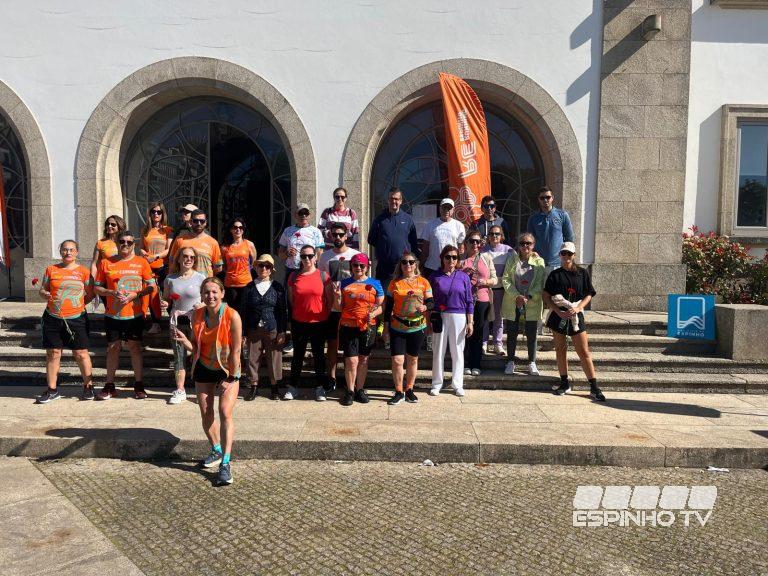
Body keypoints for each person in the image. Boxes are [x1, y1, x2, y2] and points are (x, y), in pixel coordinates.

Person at [173, 277, 242, 486]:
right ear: (201, 295)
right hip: (203, 366)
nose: (210, 296)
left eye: (214, 292)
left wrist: (231, 377)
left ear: (222, 294)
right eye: (206, 293)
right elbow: (197, 348)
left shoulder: (232, 316)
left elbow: (237, 351)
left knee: (224, 412)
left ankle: (226, 464)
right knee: (205, 412)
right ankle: (216, 449)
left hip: (227, 369)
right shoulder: (198, 315)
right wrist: (186, 342)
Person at [94, 230, 156, 400]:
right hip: (113, 314)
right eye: (122, 241)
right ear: (117, 243)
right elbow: (96, 287)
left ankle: (138, 384)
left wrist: (135, 295)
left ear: (134, 245)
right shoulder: (106, 262)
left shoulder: (141, 262)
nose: (125, 245)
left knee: (135, 348)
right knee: (112, 348)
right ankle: (109, 385)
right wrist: (109, 292)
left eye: (129, 242)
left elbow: (151, 286)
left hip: (134, 315)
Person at [543, 242, 605, 402]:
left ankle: (593, 386)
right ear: (560, 255)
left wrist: (578, 308)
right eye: (563, 254)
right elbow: (546, 296)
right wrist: (557, 311)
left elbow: (589, 293)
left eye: (569, 254)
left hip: (576, 314)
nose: (566, 257)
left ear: (574, 255)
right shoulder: (555, 275)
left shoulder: (582, 273)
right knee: (560, 349)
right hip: (559, 316)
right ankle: (564, 382)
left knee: (584, 352)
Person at [36, 240, 95, 403]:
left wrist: (77, 306)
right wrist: (44, 295)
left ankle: (88, 387)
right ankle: (52, 389)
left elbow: (91, 294)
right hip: (52, 318)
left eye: (71, 250)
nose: (68, 252)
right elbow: (43, 289)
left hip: (77, 319)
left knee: (81, 353)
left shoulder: (84, 272)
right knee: (53, 353)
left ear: (77, 252)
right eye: (65, 250)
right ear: (60, 251)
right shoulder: (51, 269)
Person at [383, 251, 432, 405]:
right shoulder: (394, 283)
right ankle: (398, 391)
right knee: (397, 360)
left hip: (417, 326)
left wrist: (425, 306)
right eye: (404, 262)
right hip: (398, 326)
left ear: (416, 264)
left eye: (411, 262)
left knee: (412, 359)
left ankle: (409, 389)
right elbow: (388, 306)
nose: (408, 265)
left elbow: (431, 302)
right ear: (400, 265)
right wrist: (385, 328)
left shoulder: (423, 282)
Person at [334, 253, 384, 406]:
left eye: (362, 265)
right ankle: (349, 391)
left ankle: (360, 389)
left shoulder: (375, 283)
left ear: (367, 267)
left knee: (363, 359)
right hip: (349, 326)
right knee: (351, 360)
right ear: (351, 267)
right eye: (355, 265)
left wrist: (374, 313)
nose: (358, 268)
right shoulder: (344, 283)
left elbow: (380, 306)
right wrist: (337, 296)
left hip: (367, 327)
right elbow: (338, 307)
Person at [285, 245, 334, 401]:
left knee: (319, 355)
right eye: (304, 256)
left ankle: (320, 387)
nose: (307, 259)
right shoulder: (293, 277)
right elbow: (291, 300)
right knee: (297, 355)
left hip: (319, 322)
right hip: (299, 321)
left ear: (315, 257)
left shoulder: (323, 276)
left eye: (310, 256)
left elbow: (329, 299)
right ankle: (293, 387)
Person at [161, 247, 206, 405]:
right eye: (185, 256)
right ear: (178, 259)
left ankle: (201, 389)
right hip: (177, 321)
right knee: (179, 357)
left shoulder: (201, 278)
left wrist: (202, 304)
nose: (188, 259)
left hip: (196, 321)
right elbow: (167, 299)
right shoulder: (170, 279)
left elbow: (211, 298)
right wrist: (165, 302)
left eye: (192, 257)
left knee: (198, 354)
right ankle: (180, 390)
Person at [278, 203, 325, 354]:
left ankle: (313, 336)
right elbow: (280, 254)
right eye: (300, 213)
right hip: (293, 270)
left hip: (310, 271)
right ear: (295, 215)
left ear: (310, 215)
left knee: (313, 302)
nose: (303, 216)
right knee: (291, 304)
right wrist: (287, 254)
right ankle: (293, 338)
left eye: (306, 213)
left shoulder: (315, 231)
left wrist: (317, 271)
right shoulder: (288, 231)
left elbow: (320, 252)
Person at [317, 222, 359, 390]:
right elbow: (320, 281)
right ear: (330, 236)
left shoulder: (355, 254)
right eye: (335, 235)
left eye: (341, 234)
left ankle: (353, 380)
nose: (338, 237)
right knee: (332, 344)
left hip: (351, 307)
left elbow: (362, 278)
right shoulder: (325, 257)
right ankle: (332, 378)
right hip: (333, 307)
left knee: (351, 344)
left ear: (346, 235)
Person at [240, 254, 288, 402]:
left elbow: (282, 310)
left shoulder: (277, 287)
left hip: (272, 327)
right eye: (261, 265)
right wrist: (243, 332)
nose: (264, 269)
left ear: (271, 269)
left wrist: (282, 331)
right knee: (253, 358)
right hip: (254, 328)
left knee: (274, 357)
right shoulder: (249, 287)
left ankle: (274, 387)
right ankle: (254, 387)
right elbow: (244, 310)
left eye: (267, 266)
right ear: (256, 267)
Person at [429, 245, 473, 397]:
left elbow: (469, 301)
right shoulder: (435, 276)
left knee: (457, 351)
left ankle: (457, 384)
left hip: (459, 316)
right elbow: (429, 299)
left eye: (454, 257)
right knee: (438, 350)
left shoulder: (464, 277)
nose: (451, 260)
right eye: (448, 257)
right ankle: (436, 383)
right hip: (439, 315)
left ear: (458, 260)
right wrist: (430, 318)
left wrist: (470, 322)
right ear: (442, 258)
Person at [500, 232, 545, 376]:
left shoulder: (539, 261)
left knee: (532, 333)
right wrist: (516, 296)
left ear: (533, 245)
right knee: (512, 333)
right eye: (522, 243)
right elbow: (506, 279)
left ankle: (532, 362)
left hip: (532, 302)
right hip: (514, 301)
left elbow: (540, 283)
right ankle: (510, 361)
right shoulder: (512, 260)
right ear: (518, 246)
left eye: (528, 243)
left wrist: (529, 296)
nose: (525, 246)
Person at [460, 230, 498, 376]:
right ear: (466, 243)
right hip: (463, 301)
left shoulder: (486, 258)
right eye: (472, 241)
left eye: (477, 241)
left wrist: (485, 281)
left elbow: (495, 279)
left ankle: (476, 364)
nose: (475, 244)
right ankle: (464, 363)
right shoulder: (460, 260)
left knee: (478, 332)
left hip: (482, 300)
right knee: (464, 332)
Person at [367, 187, 419, 285]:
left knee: (402, 296)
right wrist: (385, 248)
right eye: (391, 198)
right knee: (384, 298)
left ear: (401, 201)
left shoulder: (408, 219)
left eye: (396, 199)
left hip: (403, 267)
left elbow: (413, 243)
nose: (393, 201)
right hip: (384, 269)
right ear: (388, 200)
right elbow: (371, 239)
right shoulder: (380, 219)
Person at [140, 202, 174, 334]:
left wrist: (155, 256)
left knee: (168, 295)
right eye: (153, 211)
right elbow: (141, 247)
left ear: (163, 214)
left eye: (159, 212)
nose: (156, 214)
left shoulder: (168, 230)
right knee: (151, 294)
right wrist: (145, 254)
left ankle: (173, 321)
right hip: (148, 267)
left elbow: (169, 249)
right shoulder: (145, 229)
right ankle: (156, 323)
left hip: (163, 266)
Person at [526, 186, 574, 276]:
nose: (545, 200)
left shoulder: (562, 215)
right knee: (540, 290)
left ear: (552, 198)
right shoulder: (533, 218)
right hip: (538, 263)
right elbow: (529, 241)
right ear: (539, 200)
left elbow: (569, 239)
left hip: (558, 263)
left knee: (557, 290)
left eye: (547, 197)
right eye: (542, 198)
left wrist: (567, 259)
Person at [482, 225, 514, 355]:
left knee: (498, 317)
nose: (494, 236)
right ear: (488, 236)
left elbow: (518, 262)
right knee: (485, 317)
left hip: (501, 289)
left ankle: (497, 343)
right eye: (491, 234)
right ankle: (483, 343)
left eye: (497, 234)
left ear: (502, 236)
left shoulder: (509, 250)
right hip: (486, 289)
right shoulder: (483, 250)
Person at [420, 197, 466, 278]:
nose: (446, 210)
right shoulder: (430, 225)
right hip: (432, 267)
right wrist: (421, 265)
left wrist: (458, 265)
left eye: (449, 208)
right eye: (444, 207)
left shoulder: (459, 226)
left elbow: (461, 250)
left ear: (453, 210)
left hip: (451, 268)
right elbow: (425, 248)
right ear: (440, 208)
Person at [168, 209, 223, 278]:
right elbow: (172, 262)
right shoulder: (180, 240)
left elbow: (218, 268)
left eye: (202, 221)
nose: (199, 223)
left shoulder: (213, 242)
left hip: (204, 285)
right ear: (191, 222)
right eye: (196, 221)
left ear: (206, 222)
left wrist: (207, 276)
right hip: (185, 283)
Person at [220, 217, 257, 310]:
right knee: (232, 311)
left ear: (243, 230)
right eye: (235, 227)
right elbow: (223, 265)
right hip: (230, 284)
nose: (238, 229)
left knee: (245, 311)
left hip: (246, 283)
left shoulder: (249, 244)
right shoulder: (224, 247)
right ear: (231, 230)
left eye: (241, 228)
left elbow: (253, 262)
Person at [90, 215, 126, 279]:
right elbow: (94, 264)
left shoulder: (126, 242)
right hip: (106, 277)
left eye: (113, 224)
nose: (109, 226)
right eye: (107, 224)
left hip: (123, 275)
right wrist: (92, 279)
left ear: (120, 226)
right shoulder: (100, 243)